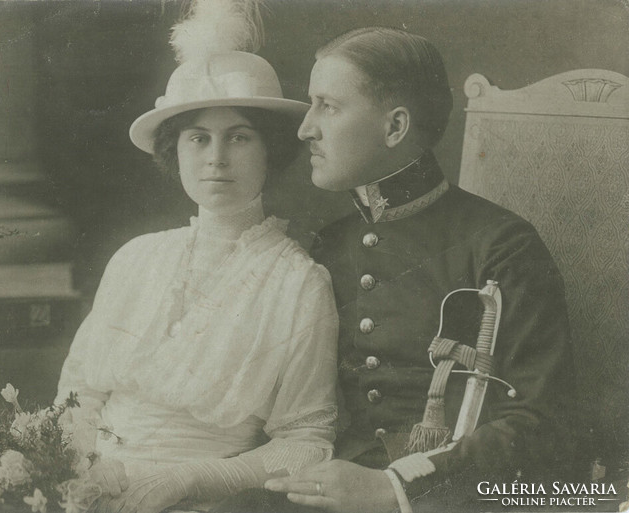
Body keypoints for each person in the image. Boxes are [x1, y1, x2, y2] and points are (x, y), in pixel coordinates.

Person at [264, 27, 575, 513]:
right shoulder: (329, 244)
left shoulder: (502, 246)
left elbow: (538, 421)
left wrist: (395, 489)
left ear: (395, 128)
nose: (306, 128)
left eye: (328, 105)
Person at [55, 4, 338, 513]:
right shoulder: (136, 258)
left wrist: (190, 481)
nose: (216, 158)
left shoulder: (298, 283)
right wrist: (76, 473)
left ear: (270, 150)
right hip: (84, 489)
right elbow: (78, 396)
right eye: (198, 138)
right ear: (176, 151)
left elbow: (306, 442)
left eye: (239, 137)